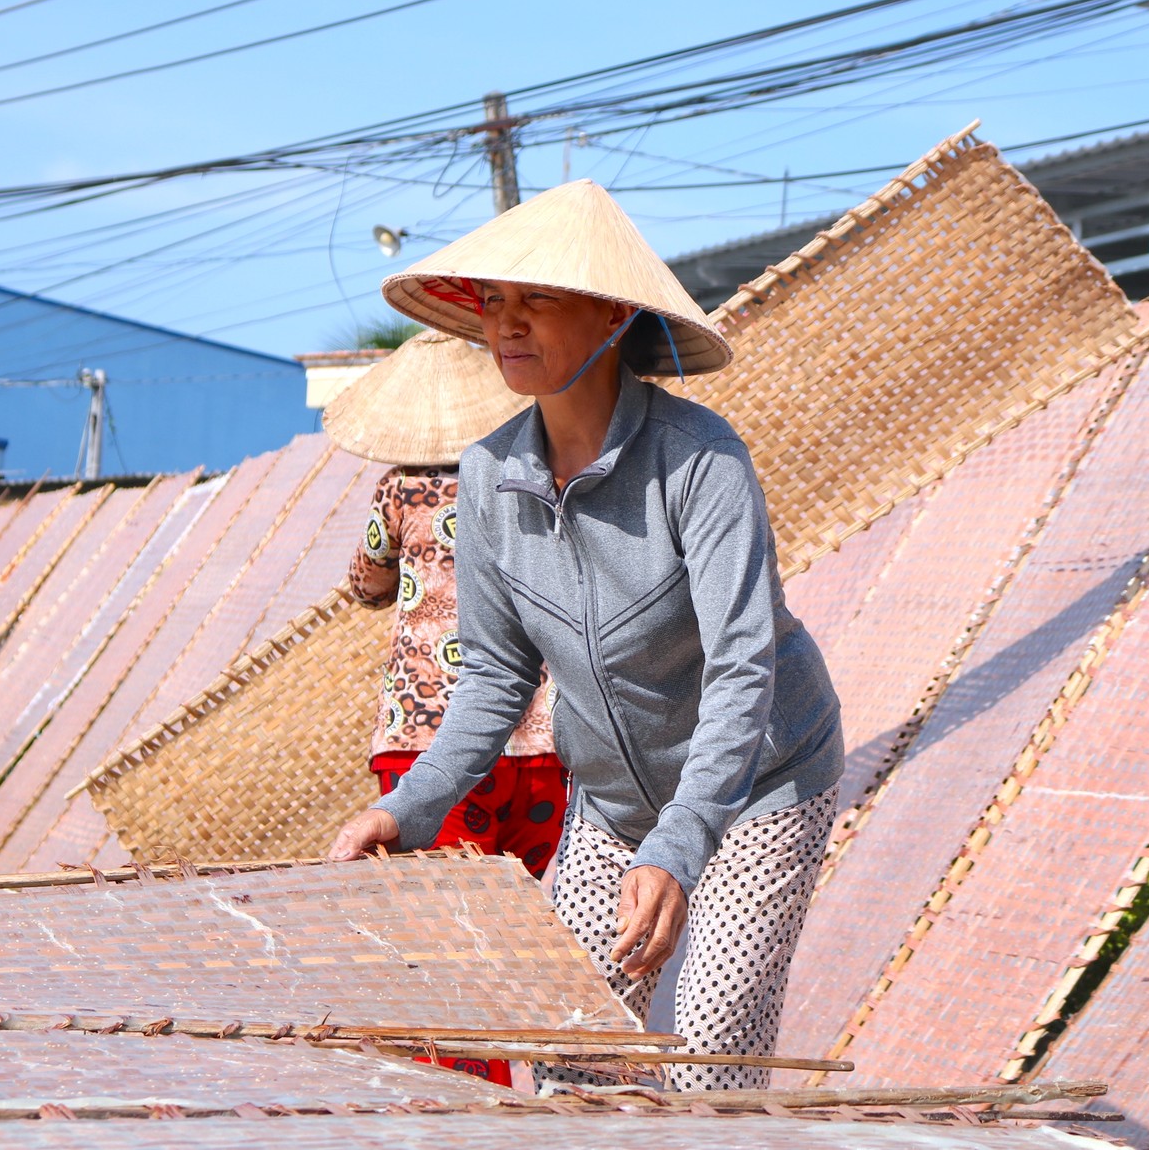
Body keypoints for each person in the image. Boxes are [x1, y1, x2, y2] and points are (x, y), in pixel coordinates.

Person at [328, 180, 844, 1092]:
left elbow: (741, 671)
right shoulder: (488, 475)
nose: (507, 324)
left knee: (708, 1053)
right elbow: (493, 678)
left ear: (609, 314)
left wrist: (680, 847)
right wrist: (405, 809)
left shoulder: (701, 461)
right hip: (612, 805)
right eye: (494, 302)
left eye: (536, 299)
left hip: (760, 782)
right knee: (570, 1052)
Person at [323, 330, 569, 1090]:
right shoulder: (527, 475)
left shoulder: (398, 491)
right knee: (509, 926)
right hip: (537, 742)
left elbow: (364, 581)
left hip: (426, 748)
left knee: (439, 938)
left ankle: (470, 1104)